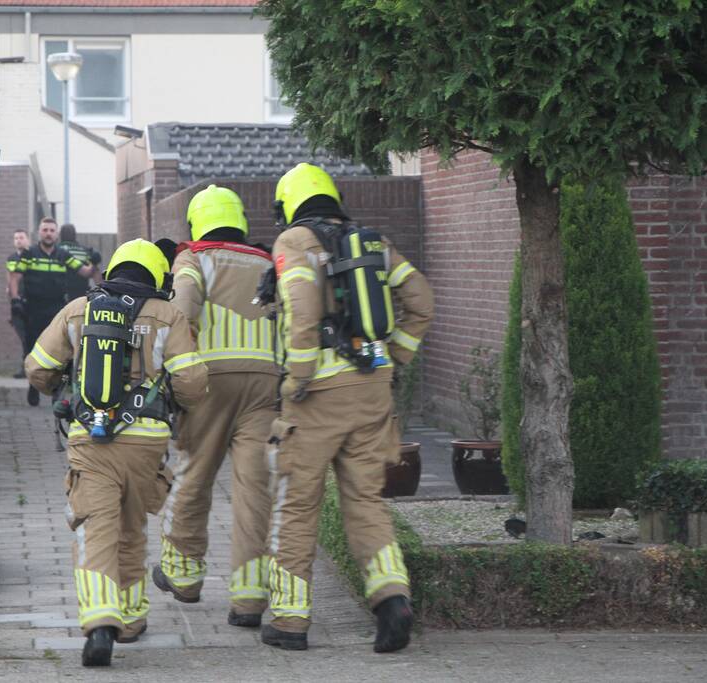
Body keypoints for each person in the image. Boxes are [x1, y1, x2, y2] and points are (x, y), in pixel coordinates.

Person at [263, 163, 434, 653]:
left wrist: (297, 378)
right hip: (372, 389)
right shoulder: (373, 242)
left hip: (317, 397)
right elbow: (421, 299)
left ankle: (291, 622)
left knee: (298, 504)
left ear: (289, 206)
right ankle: (392, 600)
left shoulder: (294, 243)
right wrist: (395, 355)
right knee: (365, 500)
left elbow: (299, 306)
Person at [24, 238, 208, 667]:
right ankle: (130, 619)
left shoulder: (78, 310)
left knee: (95, 527)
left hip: (92, 442)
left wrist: (61, 388)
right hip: (146, 445)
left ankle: (100, 621)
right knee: (131, 527)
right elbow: (194, 386)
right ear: (158, 276)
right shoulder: (169, 315)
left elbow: (37, 367)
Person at [152, 185, 279, 627]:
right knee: (253, 488)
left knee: (194, 475)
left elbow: (183, 309)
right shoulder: (267, 261)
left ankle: (184, 576)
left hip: (208, 384)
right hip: (265, 384)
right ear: (239, 220)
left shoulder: (193, 258)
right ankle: (248, 598)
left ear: (196, 223)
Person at [9, 217, 93, 406]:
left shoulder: (63, 254)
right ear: (39, 232)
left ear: (56, 234)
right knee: (31, 349)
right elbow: (15, 277)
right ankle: (33, 385)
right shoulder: (29, 254)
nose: (48, 233)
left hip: (56, 309)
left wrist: (94, 262)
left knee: (61, 349)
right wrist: (15, 299)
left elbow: (85, 273)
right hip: (33, 308)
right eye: (45, 230)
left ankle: (56, 389)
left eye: (51, 230)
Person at [6, 229, 31, 378]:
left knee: (30, 337)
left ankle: (30, 369)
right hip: (17, 302)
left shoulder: (33, 256)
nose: (18, 241)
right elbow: (9, 279)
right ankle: (25, 369)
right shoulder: (11, 258)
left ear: (27, 240)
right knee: (23, 338)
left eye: (21, 238)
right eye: (16, 238)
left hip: (31, 302)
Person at [59, 223, 102, 302]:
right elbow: (95, 273)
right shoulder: (85, 251)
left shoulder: (56, 250)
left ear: (60, 235)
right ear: (75, 235)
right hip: (81, 293)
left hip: (61, 294)